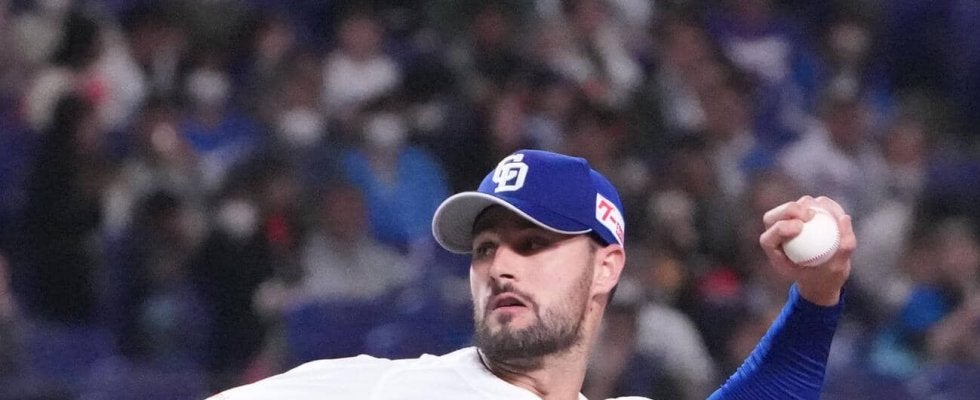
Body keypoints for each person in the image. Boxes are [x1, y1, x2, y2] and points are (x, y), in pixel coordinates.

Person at [210, 149, 855, 399]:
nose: (500, 266)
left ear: (606, 267)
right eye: (486, 248)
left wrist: (818, 296)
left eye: (534, 243)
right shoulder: (378, 389)